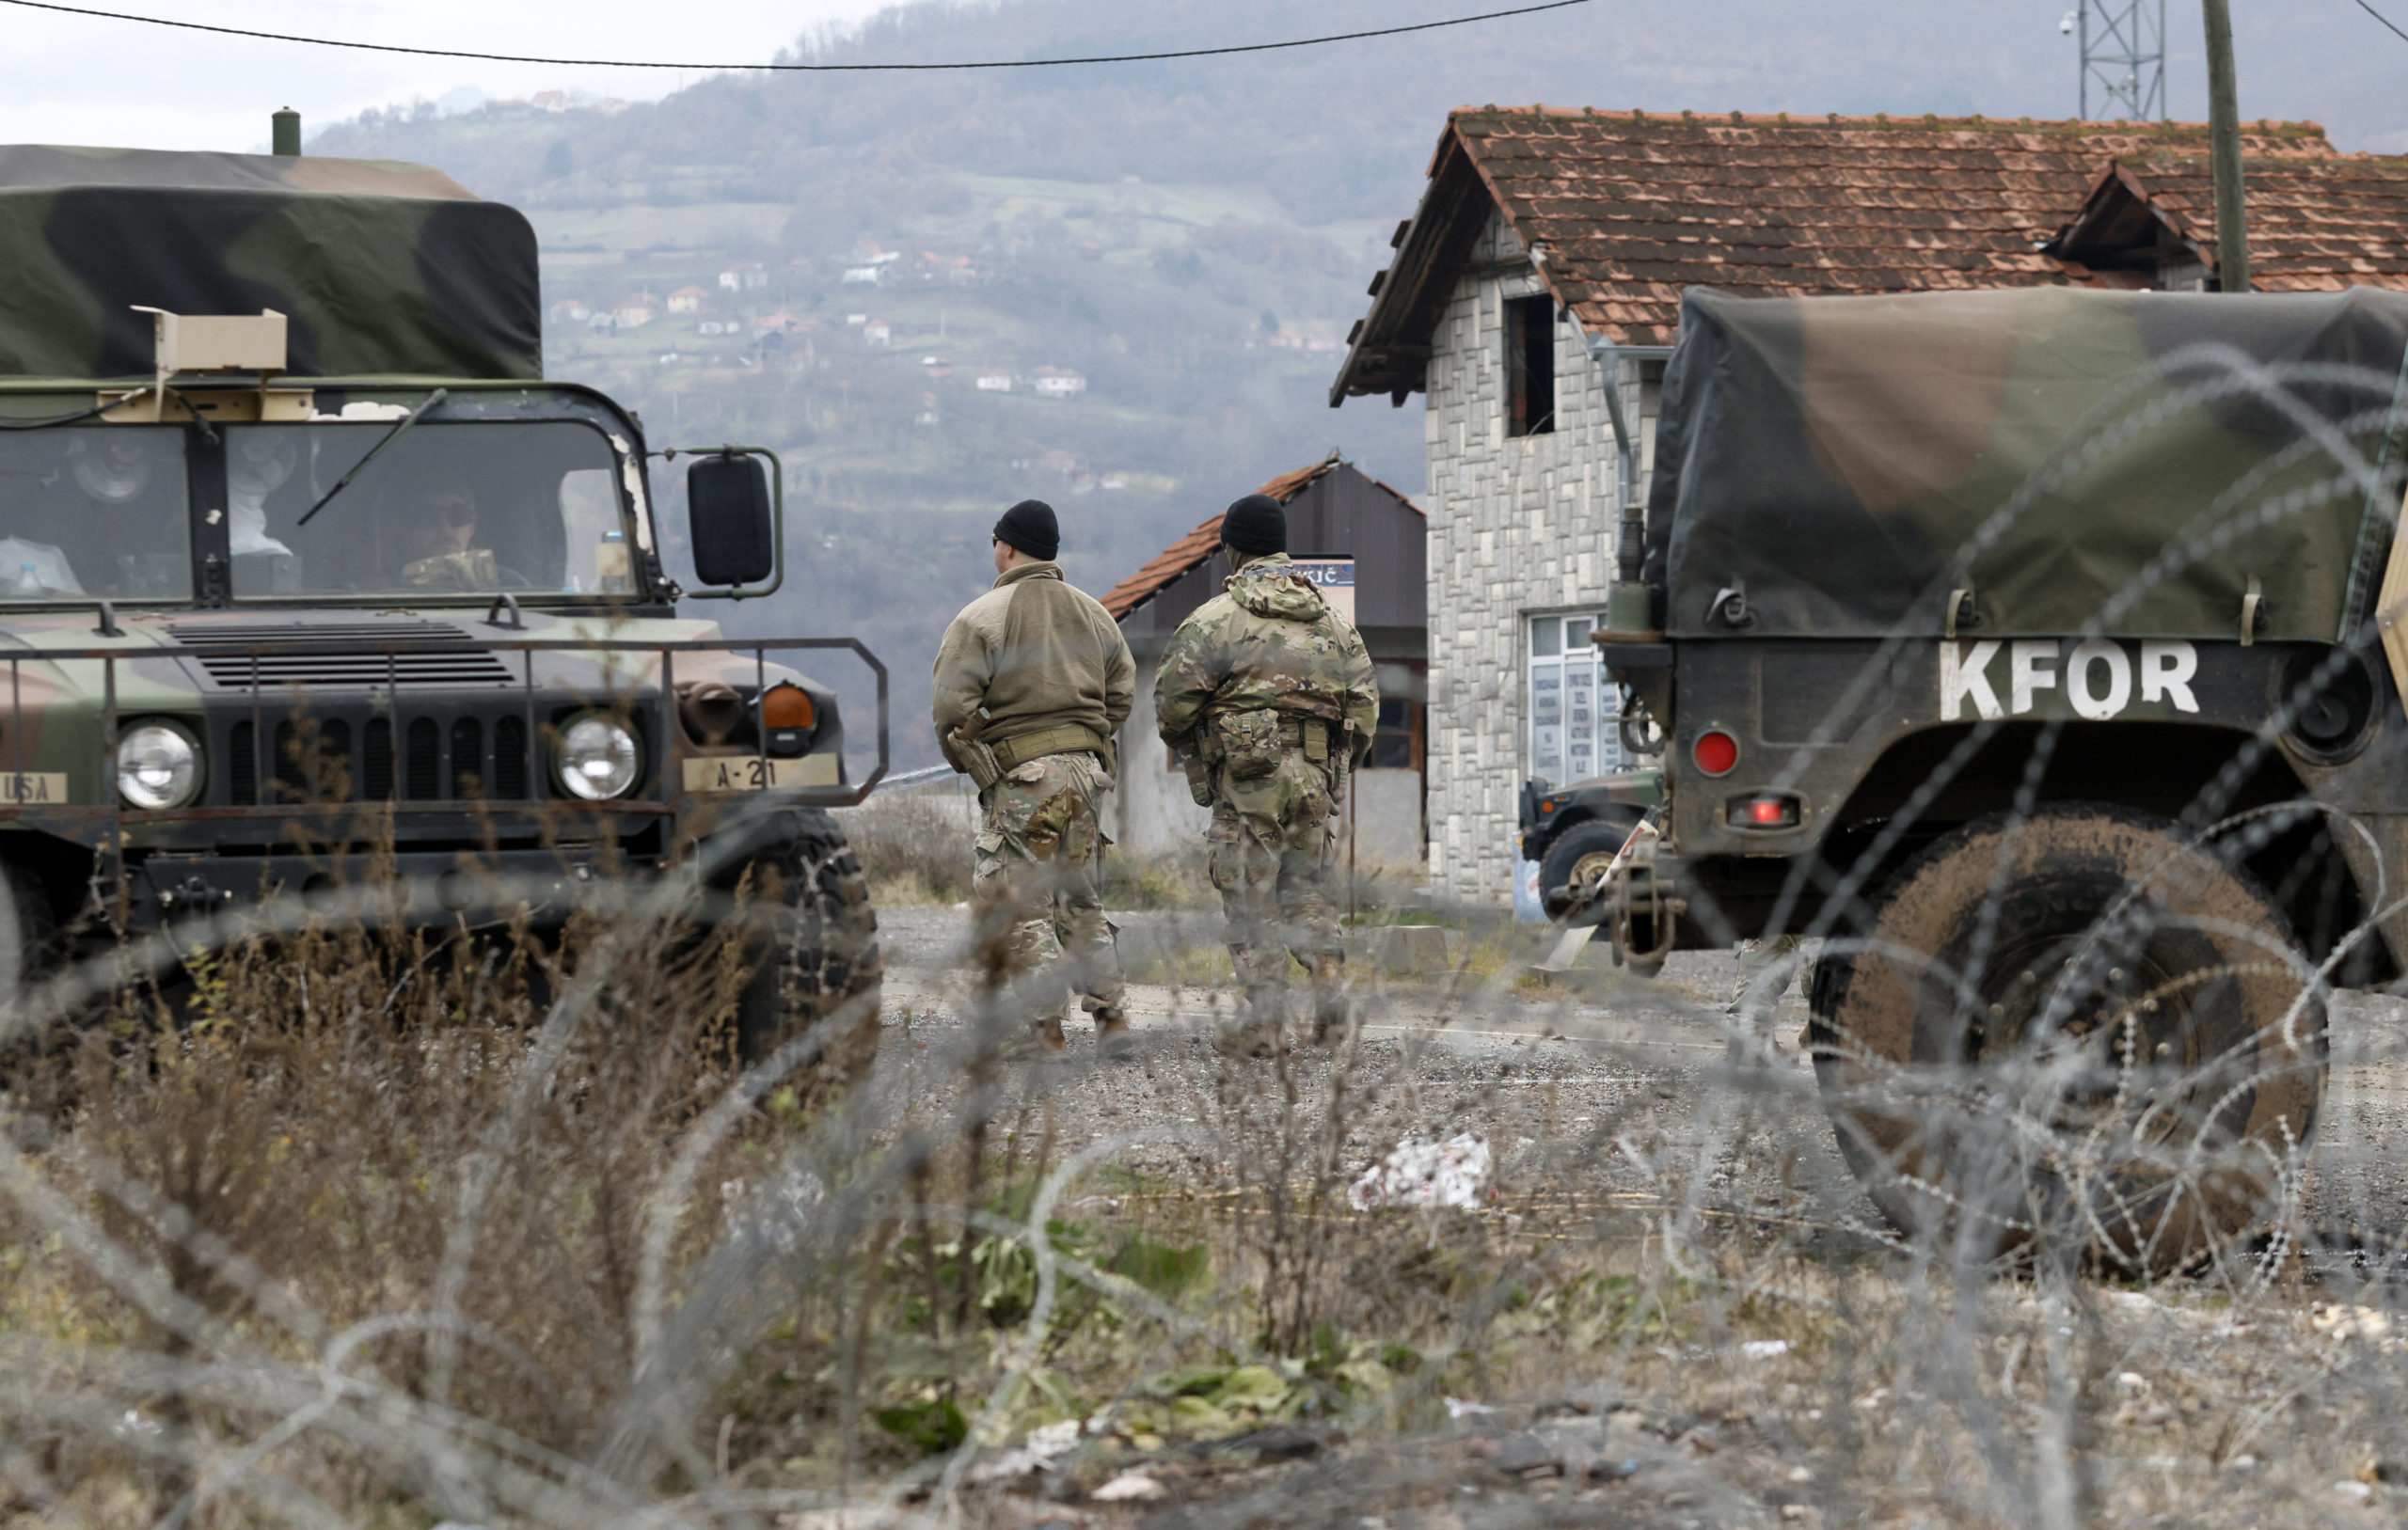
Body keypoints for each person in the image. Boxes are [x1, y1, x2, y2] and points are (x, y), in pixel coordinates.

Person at [1154, 493, 1378, 1056]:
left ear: (1231, 549)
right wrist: (1332, 765)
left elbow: (1172, 707)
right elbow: (1366, 706)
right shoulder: (1334, 624)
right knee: (1305, 891)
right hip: (1314, 778)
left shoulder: (1214, 621)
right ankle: (1329, 990)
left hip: (1249, 779)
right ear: (1282, 548)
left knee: (1251, 899)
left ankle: (1266, 1027)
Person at [931, 498, 1137, 1052]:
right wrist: (1087, 742)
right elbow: (1121, 693)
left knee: (1021, 902)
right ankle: (1112, 1019)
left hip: (1024, 777)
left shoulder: (982, 618)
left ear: (1007, 547)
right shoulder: (1095, 614)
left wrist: (978, 760)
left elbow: (952, 707)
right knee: (1079, 898)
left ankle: (1044, 1029)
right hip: (1086, 776)